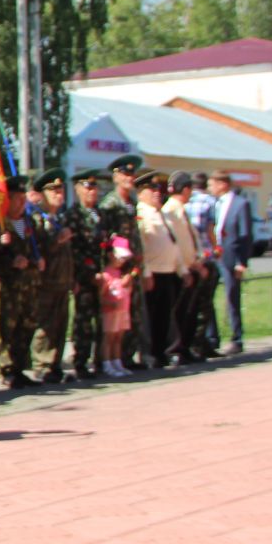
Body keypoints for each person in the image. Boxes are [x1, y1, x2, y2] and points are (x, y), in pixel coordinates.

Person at [0, 174, 45, 390]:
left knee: (28, 323)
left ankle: (21, 367)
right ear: (8, 199)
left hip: (29, 283)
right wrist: (8, 256)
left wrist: (36, 260)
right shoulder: (1, 223)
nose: (22, 203)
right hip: (10, 284)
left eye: (24, 199)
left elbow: (36, 246)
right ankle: (7, 369)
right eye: (17, 199)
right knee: (8, 326)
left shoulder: (28, 222)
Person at [134, 170, 187, 366]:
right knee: (151, 317)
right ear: (140, 192)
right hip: (153, 273)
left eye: (158, 188)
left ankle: (162, 351)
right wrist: (146, 272)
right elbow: (142, 246)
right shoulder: (141, 213)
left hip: (168, 271)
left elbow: (173, 244)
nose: (157, 192)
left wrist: (183, 269)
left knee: (165, 316)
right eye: (152, 188)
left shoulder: (160, 213)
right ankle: (150, 354)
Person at [27, 170, 75, 384]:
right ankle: (42, 365)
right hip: (45, 282)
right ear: (43, 193)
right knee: (45, 325)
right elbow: (38, 249)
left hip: (62, 280)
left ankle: (55, 364)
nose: (58, 193)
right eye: (53, 190)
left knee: (60, 324)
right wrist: (58, 240)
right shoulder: (37, 218)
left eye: (60, 189)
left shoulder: (60, 217)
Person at [100, 154, 147, 368]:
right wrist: (115, 272)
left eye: (132, 173)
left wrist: (136, 270)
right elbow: (106, 241)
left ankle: (126, 357)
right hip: (117, 272)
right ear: (116, 176)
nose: (131, 177)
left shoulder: (131, 203)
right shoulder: (110, 204)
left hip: (132, 269)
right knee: (113, 320)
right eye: (126, 173)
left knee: (131, 316)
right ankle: (109, 360)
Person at [65, 169, 111, 379]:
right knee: (83, 322)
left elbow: (107, 243)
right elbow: (74, 250)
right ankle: (81, 362)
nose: (93, 191)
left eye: (95, 187)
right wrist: (90, 273)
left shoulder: (101, 214)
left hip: (103, 277)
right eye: (88, 187)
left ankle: (101, 361)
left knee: (102, 320)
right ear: (78, 189)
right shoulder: (73, 215)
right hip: (84, 277)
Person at [164, 173, 210, 363]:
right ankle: (176, 349)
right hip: (182, 270)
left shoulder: (181, 210)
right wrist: (188, 267)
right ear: (185, 190)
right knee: (180, 313)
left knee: (189, 312)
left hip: (191, 267)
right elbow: (178, 245)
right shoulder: (172, 212)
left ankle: (186, 347)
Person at [207, 171, 253, 354]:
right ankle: (212, 338)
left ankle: (237, 337)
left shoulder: (241, 205)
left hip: (231, 257)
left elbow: (246, 235)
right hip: (215, 256)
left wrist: (242, 261)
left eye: (213, 184)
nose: (211, 188)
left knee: (232, 297)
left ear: (223, 184)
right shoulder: (213, 204)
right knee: (208, 297)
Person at [186, 174, 222, 357]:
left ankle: (197, 342)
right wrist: (216, 249)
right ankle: (200, 343)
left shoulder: (185, 202)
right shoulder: (210, 201)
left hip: (190, 260)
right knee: (205, 304)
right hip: (206, 257)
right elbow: (211, 230)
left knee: (191, 303)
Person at [98, 238, 137, 376]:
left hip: (123, 310)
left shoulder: (123, 274)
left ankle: (117, 362)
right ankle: (107, 364)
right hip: (110, 311)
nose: (122, 261)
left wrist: (128, 283)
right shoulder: (106, 274)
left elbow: (127, 292)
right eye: (119, 257)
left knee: (118, 337)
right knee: (109, 337)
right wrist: (109, 303)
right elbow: (101, 296)